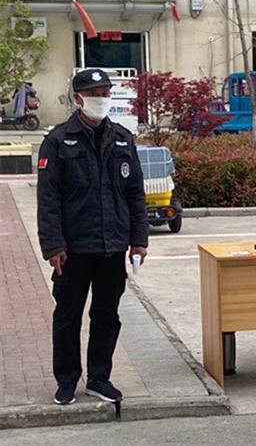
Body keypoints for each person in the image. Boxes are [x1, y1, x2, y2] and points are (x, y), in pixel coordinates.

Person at [37, 69, 149, 405]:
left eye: (105, 93)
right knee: (67, 316)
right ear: (78, 98)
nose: (101, 99)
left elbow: (135, 194)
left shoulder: (122, 138)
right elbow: (48, 199)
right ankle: (66, 380)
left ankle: (99, 378)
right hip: (72, 249)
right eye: (94, 94)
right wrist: (53, 245)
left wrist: (139, 240)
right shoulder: (58, 140)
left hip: (112, 245)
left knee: (106, 316)